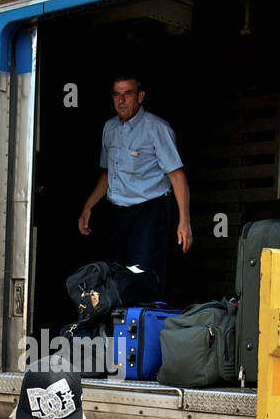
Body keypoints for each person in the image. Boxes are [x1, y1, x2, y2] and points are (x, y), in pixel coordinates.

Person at [77, 72, 193, 293]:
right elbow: (107, 174)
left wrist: (184, 221)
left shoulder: (156, 128)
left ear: (140, 96)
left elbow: (177, 175)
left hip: (149, 213)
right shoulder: (109, 129)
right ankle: (115, 328)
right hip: (117, 214)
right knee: (112, 276)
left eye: (128, 94)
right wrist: (88, 207)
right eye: (116, 95)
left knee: (144, 276)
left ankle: (144, 326)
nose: (121, 101)